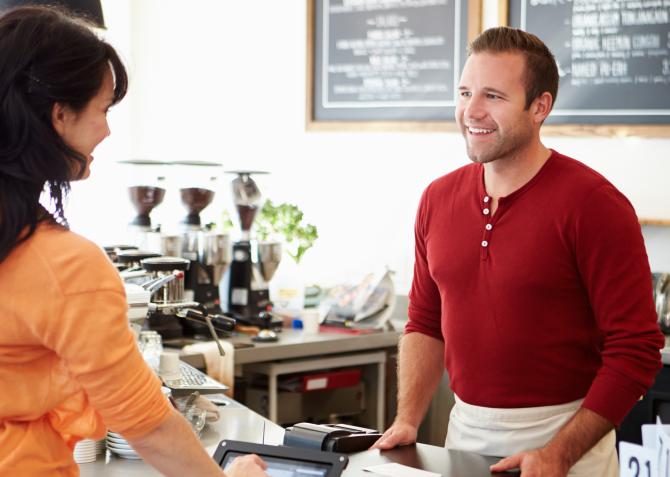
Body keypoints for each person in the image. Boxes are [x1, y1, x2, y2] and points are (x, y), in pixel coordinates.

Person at [372, 26, 664, 476]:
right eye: (465, 91)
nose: (471, 110)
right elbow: (425, 324)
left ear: (540, 107)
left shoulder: (595, 205)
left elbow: (637, 348)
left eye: (493, 96)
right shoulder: (436, 198)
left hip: (568, 450)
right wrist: (407, 420)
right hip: (463, 437)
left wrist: (559, 454)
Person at [0, 6, 269, 477]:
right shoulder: (65, 265)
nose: (106, 130)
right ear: (59, 114)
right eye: (102, 110)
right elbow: (149, 427)